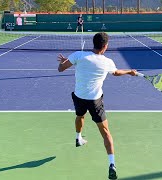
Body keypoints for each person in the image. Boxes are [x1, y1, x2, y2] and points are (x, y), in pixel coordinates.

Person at [57, 32, 137, 180]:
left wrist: (64, 62)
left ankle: (78, 138)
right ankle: (112, 164)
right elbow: (117, 72)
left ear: (93, 43)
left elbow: (60, 69)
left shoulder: (78, 55)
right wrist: (130, 72)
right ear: (105, 46)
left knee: (80, 116)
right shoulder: (107, 62)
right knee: (106, 132)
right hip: (95, 101)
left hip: (79, 97)